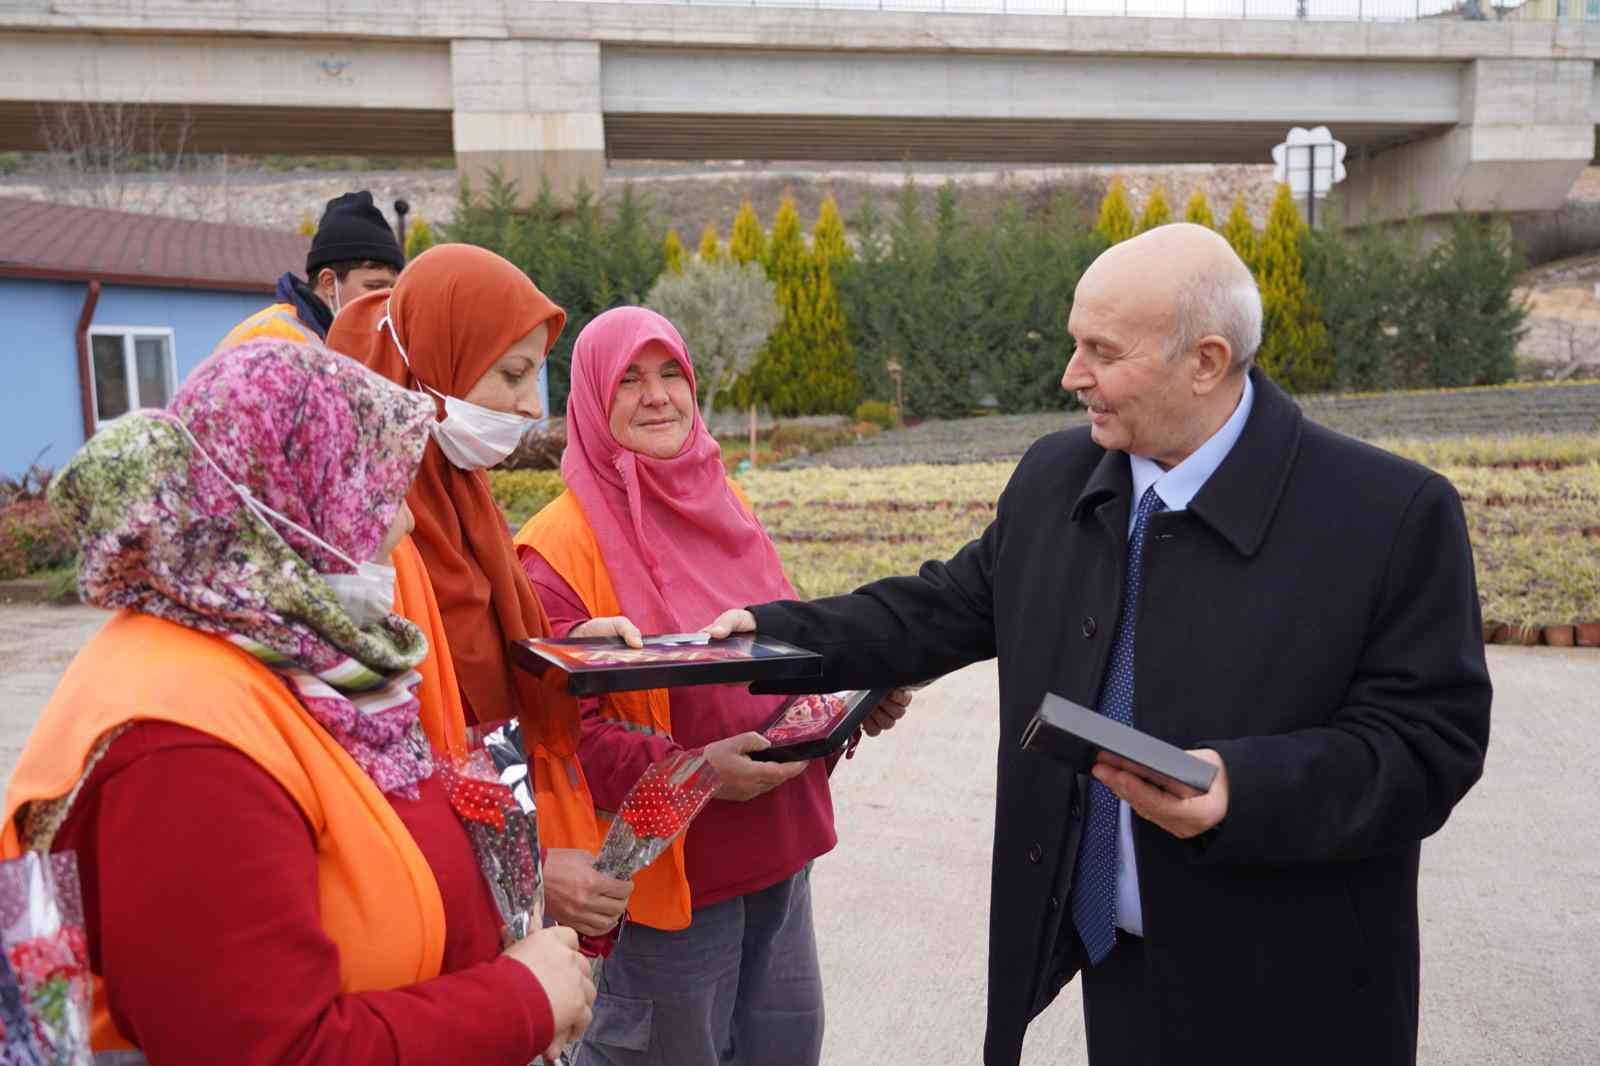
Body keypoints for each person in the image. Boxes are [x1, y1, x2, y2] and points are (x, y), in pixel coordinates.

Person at [707, 224, 1493, 1066]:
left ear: (1206, 361)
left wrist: (1243, 787)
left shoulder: (1389, 514)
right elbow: (945, 607)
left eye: (1100, 351)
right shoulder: (1057, 476)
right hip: (1119, 963)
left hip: (1297, 984)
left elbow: (1428, 745)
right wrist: (773, 634)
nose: (1071, 375)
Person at [2, 340, 594, 1063]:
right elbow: (266, 1049)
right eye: (377, 495)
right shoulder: (180, 750)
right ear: (288, 506)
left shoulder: (283, 650)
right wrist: (519, 1001)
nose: (405, 527)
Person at [513, 306, 910, 1066]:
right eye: (628, 380)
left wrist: (848, 707)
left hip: (779, 852)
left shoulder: (725, 502)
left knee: (783, 1047)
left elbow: (783, 656)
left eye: (670, 374)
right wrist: (697, 776)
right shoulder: (557, 548)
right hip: (670, 884)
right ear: (591, 400)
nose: (656, 395)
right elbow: (562, 736)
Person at [328, 244, 635, 941]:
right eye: (512, 374)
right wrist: (529, 858)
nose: (530, 405)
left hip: (494, 865)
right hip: (421, 893)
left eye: (536, 376)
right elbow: (372, 752)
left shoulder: (459, 492)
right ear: (432, 363)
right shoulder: (366, 534)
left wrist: (557, 652)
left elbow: (477, 672)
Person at [223, 190, 403, 346]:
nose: (386, 300)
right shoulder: (273, 340)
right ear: (329, 282)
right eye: (374, 286)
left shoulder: (339, 338)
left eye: (392, 289)